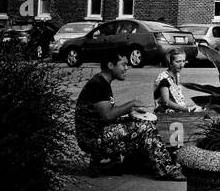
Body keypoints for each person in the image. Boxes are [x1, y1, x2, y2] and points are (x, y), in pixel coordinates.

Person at [75, 52, 182, 180]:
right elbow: (107, 116)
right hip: (92, 138)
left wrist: (130, 112)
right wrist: (131, 105)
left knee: (138, 121)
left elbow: (106, 113)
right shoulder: (98, 84)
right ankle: (167, 169)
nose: (127, 68)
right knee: (144, 128)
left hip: (97, 132)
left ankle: (123, 164)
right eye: (123, 64)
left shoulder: (102, 81)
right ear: (110, 65)